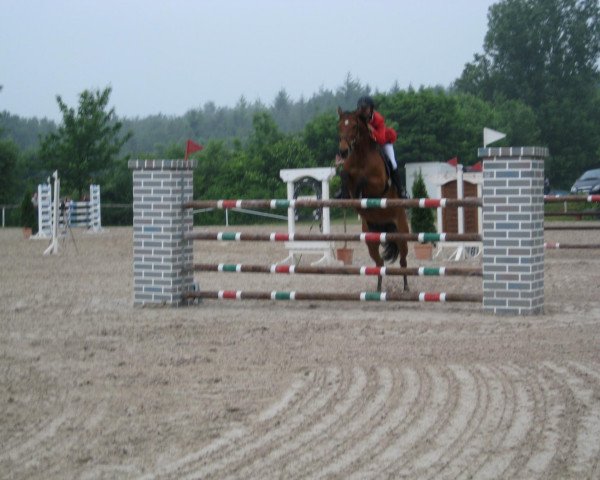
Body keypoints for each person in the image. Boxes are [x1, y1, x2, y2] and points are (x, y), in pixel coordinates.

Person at [356, 96, 405, 197]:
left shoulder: (378, 119)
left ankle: (401, 191)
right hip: (368, 144)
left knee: (392, 162)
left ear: (371, 109)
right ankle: (345, 190)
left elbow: (381, 140)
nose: (363, 111)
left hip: (383, 142)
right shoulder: (357, 118)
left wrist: (372, 129)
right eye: (361, 109)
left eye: (365, 109)